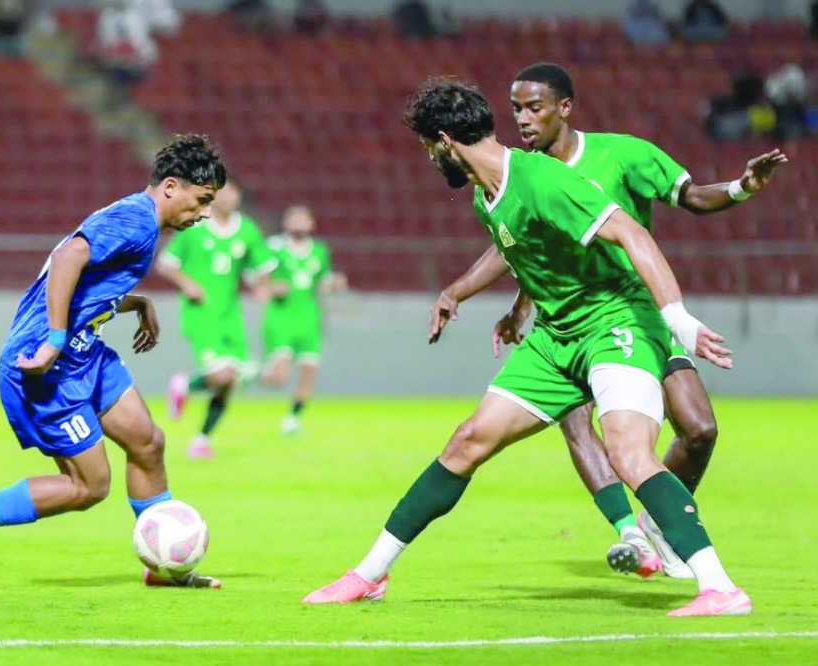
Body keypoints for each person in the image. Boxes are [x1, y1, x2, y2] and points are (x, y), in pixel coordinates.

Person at [303, 77, 751, 617]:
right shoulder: (484, 196)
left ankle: (719, 587)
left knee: (629, 453)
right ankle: (368, 575)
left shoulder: (541, 179)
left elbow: (633, 234)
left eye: (426, 147)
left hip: (615, 323)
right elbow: (525, 256)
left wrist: (677, 320)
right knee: (467, 441)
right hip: (555, 337)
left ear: (445, 140)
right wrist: (495, 304)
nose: (427, 159)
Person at [502, 62, 787, 578]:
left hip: (634, 316)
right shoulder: (522, 174)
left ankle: (655, 522)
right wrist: (517, 308)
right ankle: (629, 532)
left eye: (533, 107)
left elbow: (694, 197)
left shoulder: (624, 154)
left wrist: (742, 187)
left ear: (565, 108)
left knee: (699, 429)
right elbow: (521, 250)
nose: (521, 119)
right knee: (576, 423)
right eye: (515, 108)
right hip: (566, 326)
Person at [0, 134, 226, 589]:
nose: (205, 213)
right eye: (202, 200)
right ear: (171, 187)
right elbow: (69, 258)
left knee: (147, 442)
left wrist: (135, 303)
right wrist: (53, 340)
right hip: (48, 364)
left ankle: (161, 567)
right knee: (89, 487)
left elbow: (90, 282)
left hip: (86, 354)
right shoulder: (137, 221)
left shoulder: (139, 220)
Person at [158, 178, 276, 459]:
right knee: (222, 375)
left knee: (231, 382)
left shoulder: (246, 230)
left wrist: (262, 285)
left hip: (230, 315)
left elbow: (261, 266)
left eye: (233, 192)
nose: (228, 198)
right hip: (201, 314)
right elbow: (167, 263)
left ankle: (201, 438)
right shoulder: (195, 227)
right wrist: (187, 283)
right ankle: (185, 387)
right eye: (222, 192)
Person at [257, 205, 347, 435]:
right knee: (279, 377)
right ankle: (253, 373)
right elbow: (257, 277)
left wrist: (335, 283)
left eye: (304, 218)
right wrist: (270, 287)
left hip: (310, 317)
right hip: (281, 318)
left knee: (309, 371)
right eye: (294, 218)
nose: (299, 222)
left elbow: (322, 280)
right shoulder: (274, 247)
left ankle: (292, 420)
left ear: (312, 223)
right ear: (286, 223)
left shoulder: (319, 250)